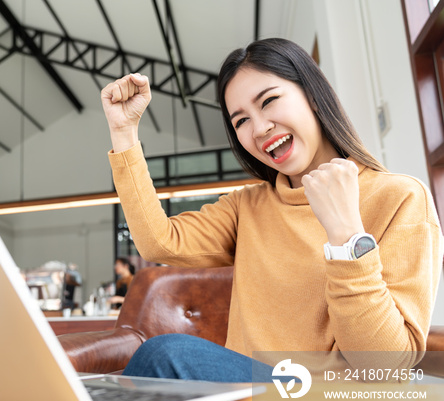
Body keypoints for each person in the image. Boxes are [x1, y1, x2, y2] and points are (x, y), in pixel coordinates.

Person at [100, 38, 443, 382]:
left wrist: (347, 236)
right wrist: (123, 131)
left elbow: (384, 367)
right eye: (241, 121)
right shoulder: (247, 206)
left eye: (269, 101)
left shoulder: (400, 197)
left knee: (166, 354)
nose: (260, 128)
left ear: (312, 94)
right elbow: (158, 243)